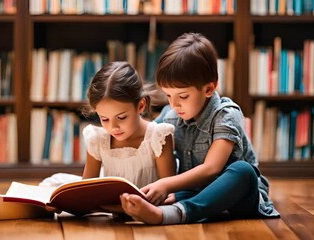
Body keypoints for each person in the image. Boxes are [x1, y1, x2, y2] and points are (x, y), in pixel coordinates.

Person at [120, 32, 280, 224]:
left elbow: (211, 169)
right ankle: (155, 204)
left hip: (238, 195)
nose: (175, 104)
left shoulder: (226, 115)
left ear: (209, 89)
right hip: (195, 191)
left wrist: (166, 184)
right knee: (173, 189)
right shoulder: (170, 115)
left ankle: (173, 214)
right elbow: (146, 139)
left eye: (183, 96)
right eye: (169, 96)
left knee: (243, 171)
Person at [81, 61, 176, 189]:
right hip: (106, 209)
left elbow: (169, 193)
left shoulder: (158, 138)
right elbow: (85, 190)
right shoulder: (98, 140)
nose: (113, 127)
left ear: (141, 105)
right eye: (104, 119)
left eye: (121, 117)